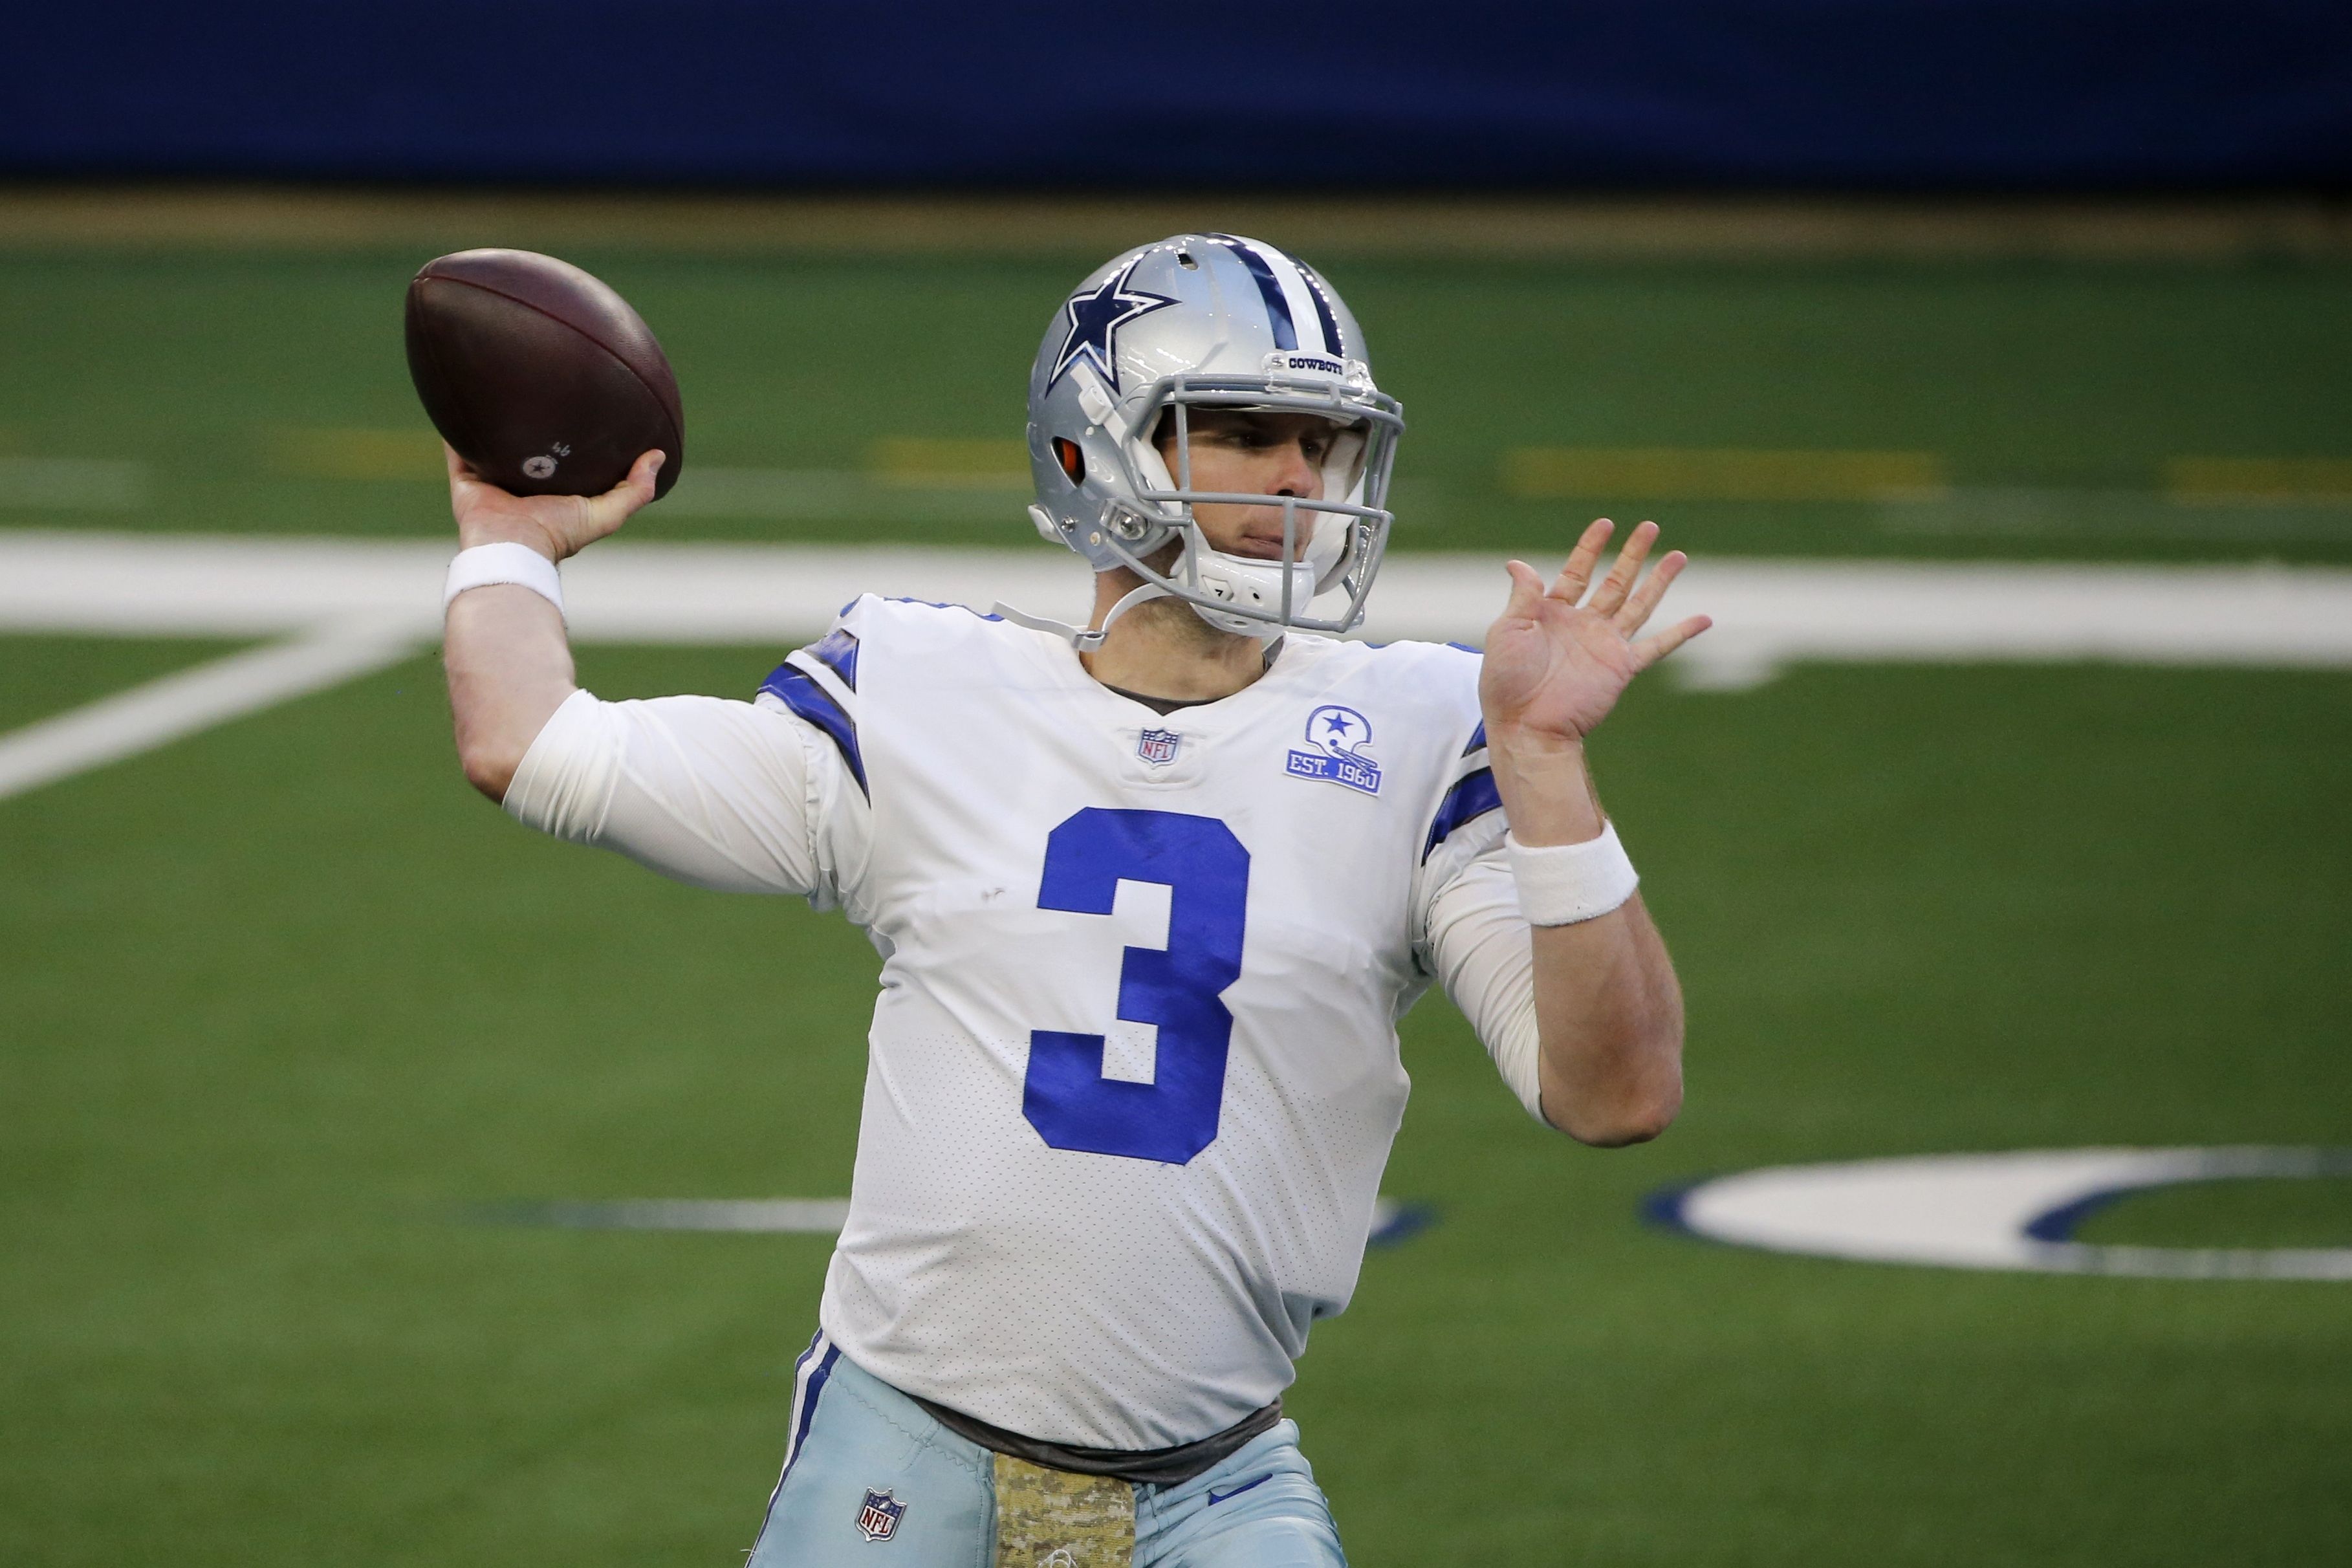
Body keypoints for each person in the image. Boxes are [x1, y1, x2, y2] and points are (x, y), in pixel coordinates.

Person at [438, 234, 1708, 1567]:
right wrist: (511, 545)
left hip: (1214, 1490)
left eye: (1320, 442)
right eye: (1245, 430)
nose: (1298, 475)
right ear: (1092, 449)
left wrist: (1550, 767)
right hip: (904, 1453)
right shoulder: (918, 692)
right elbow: (529, 746)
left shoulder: (1425, 729)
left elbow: (1616, 1094)